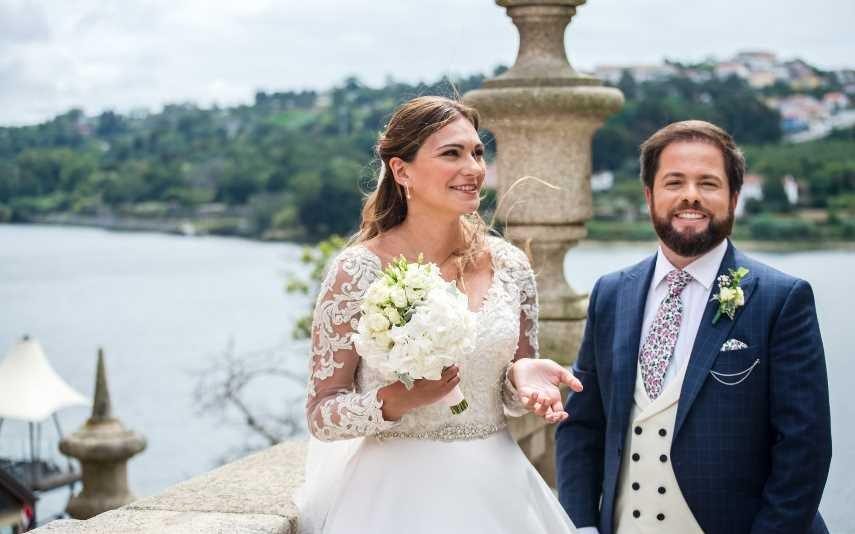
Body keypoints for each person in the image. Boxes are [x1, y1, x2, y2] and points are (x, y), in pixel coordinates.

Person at [297, 96, 581, 533]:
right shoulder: (357, 271)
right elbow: (322, 413)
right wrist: (394, 401)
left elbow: (508, 392)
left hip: (498, 489)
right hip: (392, 499)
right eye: (452, 153)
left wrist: (523, 379)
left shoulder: (510, 265)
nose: (473, 167)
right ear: (402, 170)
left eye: (477, 153)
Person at [555, 120, 832, 534]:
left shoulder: (782, 299)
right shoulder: (611, 293)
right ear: (649, 194)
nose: (690, 196)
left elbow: (804, 447)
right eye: (674, 182)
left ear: (733, 197)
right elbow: (581, 426)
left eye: (708, 183)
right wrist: (581, 526)